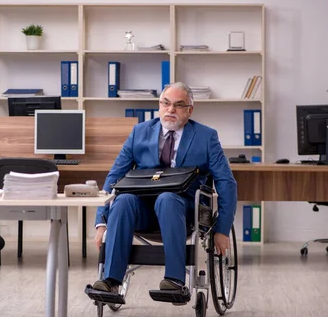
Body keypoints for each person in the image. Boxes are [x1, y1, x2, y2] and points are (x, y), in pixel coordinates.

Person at [89, 82, 237, 296]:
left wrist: (222, 229)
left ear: (190, 110)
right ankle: (111, 281)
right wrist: (101, 222)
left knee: (167, 199)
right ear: (159, 105)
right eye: (166, 103)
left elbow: (226, 182)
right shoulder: (140, 132)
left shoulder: (206, 137)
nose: (170, 110)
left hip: (184, 211)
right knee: (123, 200)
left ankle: (175, 281)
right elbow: (115, 176)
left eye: (178, 105)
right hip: (144, 211)